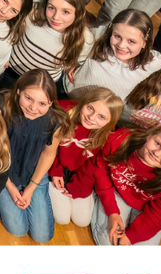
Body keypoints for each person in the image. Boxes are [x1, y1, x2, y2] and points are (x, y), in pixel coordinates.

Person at [91, 124, 161, 246]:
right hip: (117, 192)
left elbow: (160, 215)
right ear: (150, 134)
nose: (157, 153)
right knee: (108, 243)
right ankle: (96, 199)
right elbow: (101, 169)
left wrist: (130, 237)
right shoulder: (120, 140)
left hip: (147, 209)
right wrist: (112, 212)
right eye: (158, 143)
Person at [0, 69, 69, 242]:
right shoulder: (1, 107)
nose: (33, 108)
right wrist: (9, 186)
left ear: (51, 103)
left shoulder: (55, 121)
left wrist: (30, 188)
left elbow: (47, 154)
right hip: (2, 171)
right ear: (19, 91)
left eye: (42, 103)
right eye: (28, 98)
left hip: (34, 172)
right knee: (18, 230)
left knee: (43, 236)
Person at [48, 89, 123, 229]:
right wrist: (55, 171)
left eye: (101, 117)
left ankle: (92, 195)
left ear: (109, 122)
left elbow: (92, 165)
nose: (92, 117)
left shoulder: (106, 135)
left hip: (80, 173)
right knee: (62, 217)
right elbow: (49, 147)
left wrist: (79, 187)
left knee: (82, 220)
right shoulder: (64, 112)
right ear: (84, 102)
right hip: (54, 166)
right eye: (90, 108)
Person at [65, 9, 161, 101]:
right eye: (117, 36)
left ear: (144, 43)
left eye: (131, 41)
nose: (121, 45)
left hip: (99, 112)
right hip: (67, 94)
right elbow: (77, 38)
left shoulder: (152, 63)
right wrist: (74, 60)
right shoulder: (100, 35)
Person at [7, 0, 95, 84]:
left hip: (40, 84)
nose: (56, 17)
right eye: (51, 8)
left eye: (66, 12)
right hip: (10, 72)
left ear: (78, 13)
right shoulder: (32, 11)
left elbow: (75, 63)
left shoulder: (85, 39)